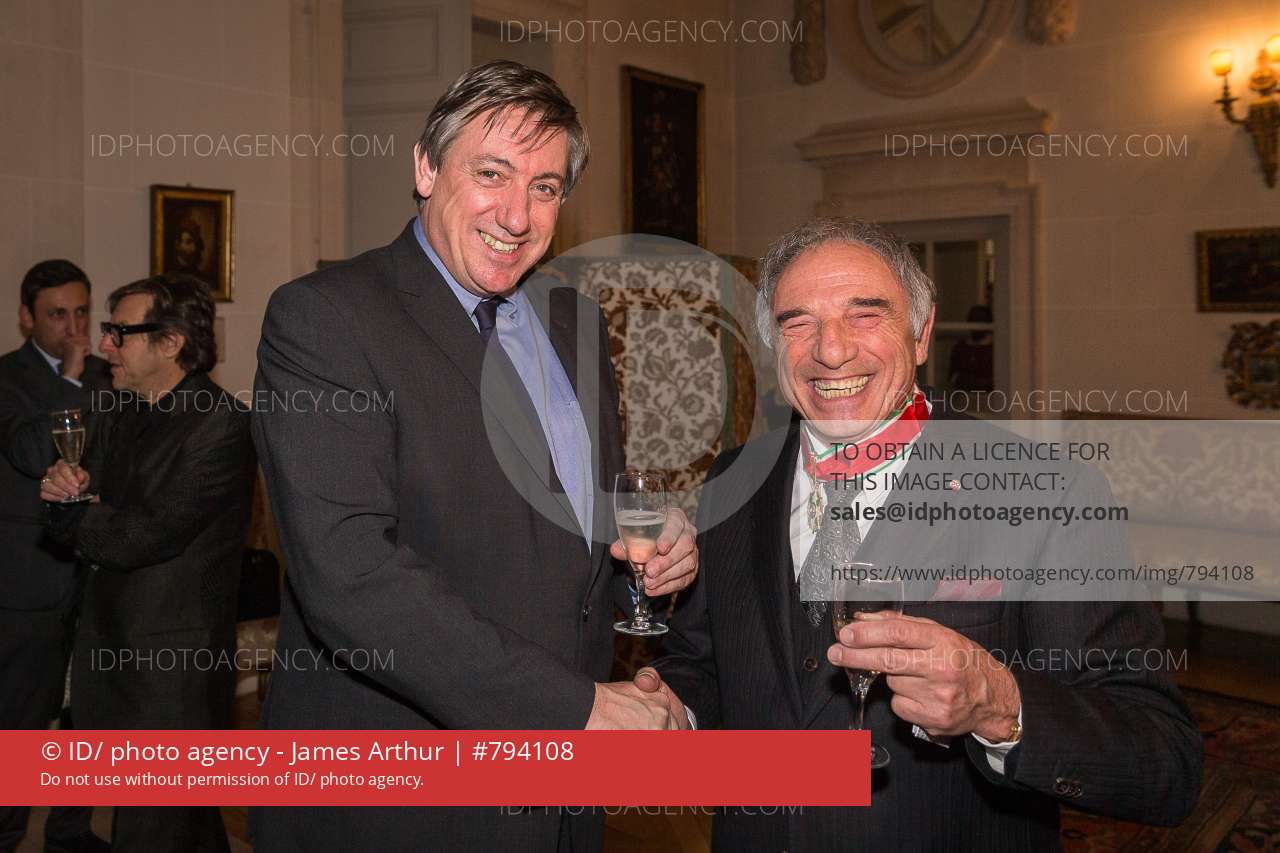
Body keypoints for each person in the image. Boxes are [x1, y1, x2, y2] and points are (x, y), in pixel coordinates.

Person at [250, 60, 698, 853]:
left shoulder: (574, 322)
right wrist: (575, 708)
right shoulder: (326, 319)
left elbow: (568, 504)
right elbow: (350, 577)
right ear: (426, 168)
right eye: (491, 173)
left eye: (546, 187)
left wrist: (653, 533)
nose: (518, 214)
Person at [650, 217, 1203, 851]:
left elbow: (1166, 761)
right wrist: (671, 709)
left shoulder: (1048, 494)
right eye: (798, 323)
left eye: (865, 315)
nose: (831, 350)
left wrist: (1001, 706)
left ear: (921, 334)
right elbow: (707, 663)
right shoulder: (732, 479)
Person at [40, 274, 256, 853]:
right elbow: (80, 512)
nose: (103, 344)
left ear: (171, 342)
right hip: (112, 649)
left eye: (119, 332)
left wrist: (77, 510)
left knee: (156, 828)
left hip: (170, 672)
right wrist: (64, 491)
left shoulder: (221, 424)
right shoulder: (122, 409)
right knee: (180, 827)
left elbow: (144, 536)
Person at [0, 260, 111, 853]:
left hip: (96, 573)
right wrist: (68, 382)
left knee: (84, 716)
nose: (73, 327)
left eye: (81, 312)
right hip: (29, 579)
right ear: (27, 317)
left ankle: (69, 832)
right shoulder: (7, 378)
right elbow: (28, 451)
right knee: (19, 721)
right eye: (57, 314)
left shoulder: (107, 374)